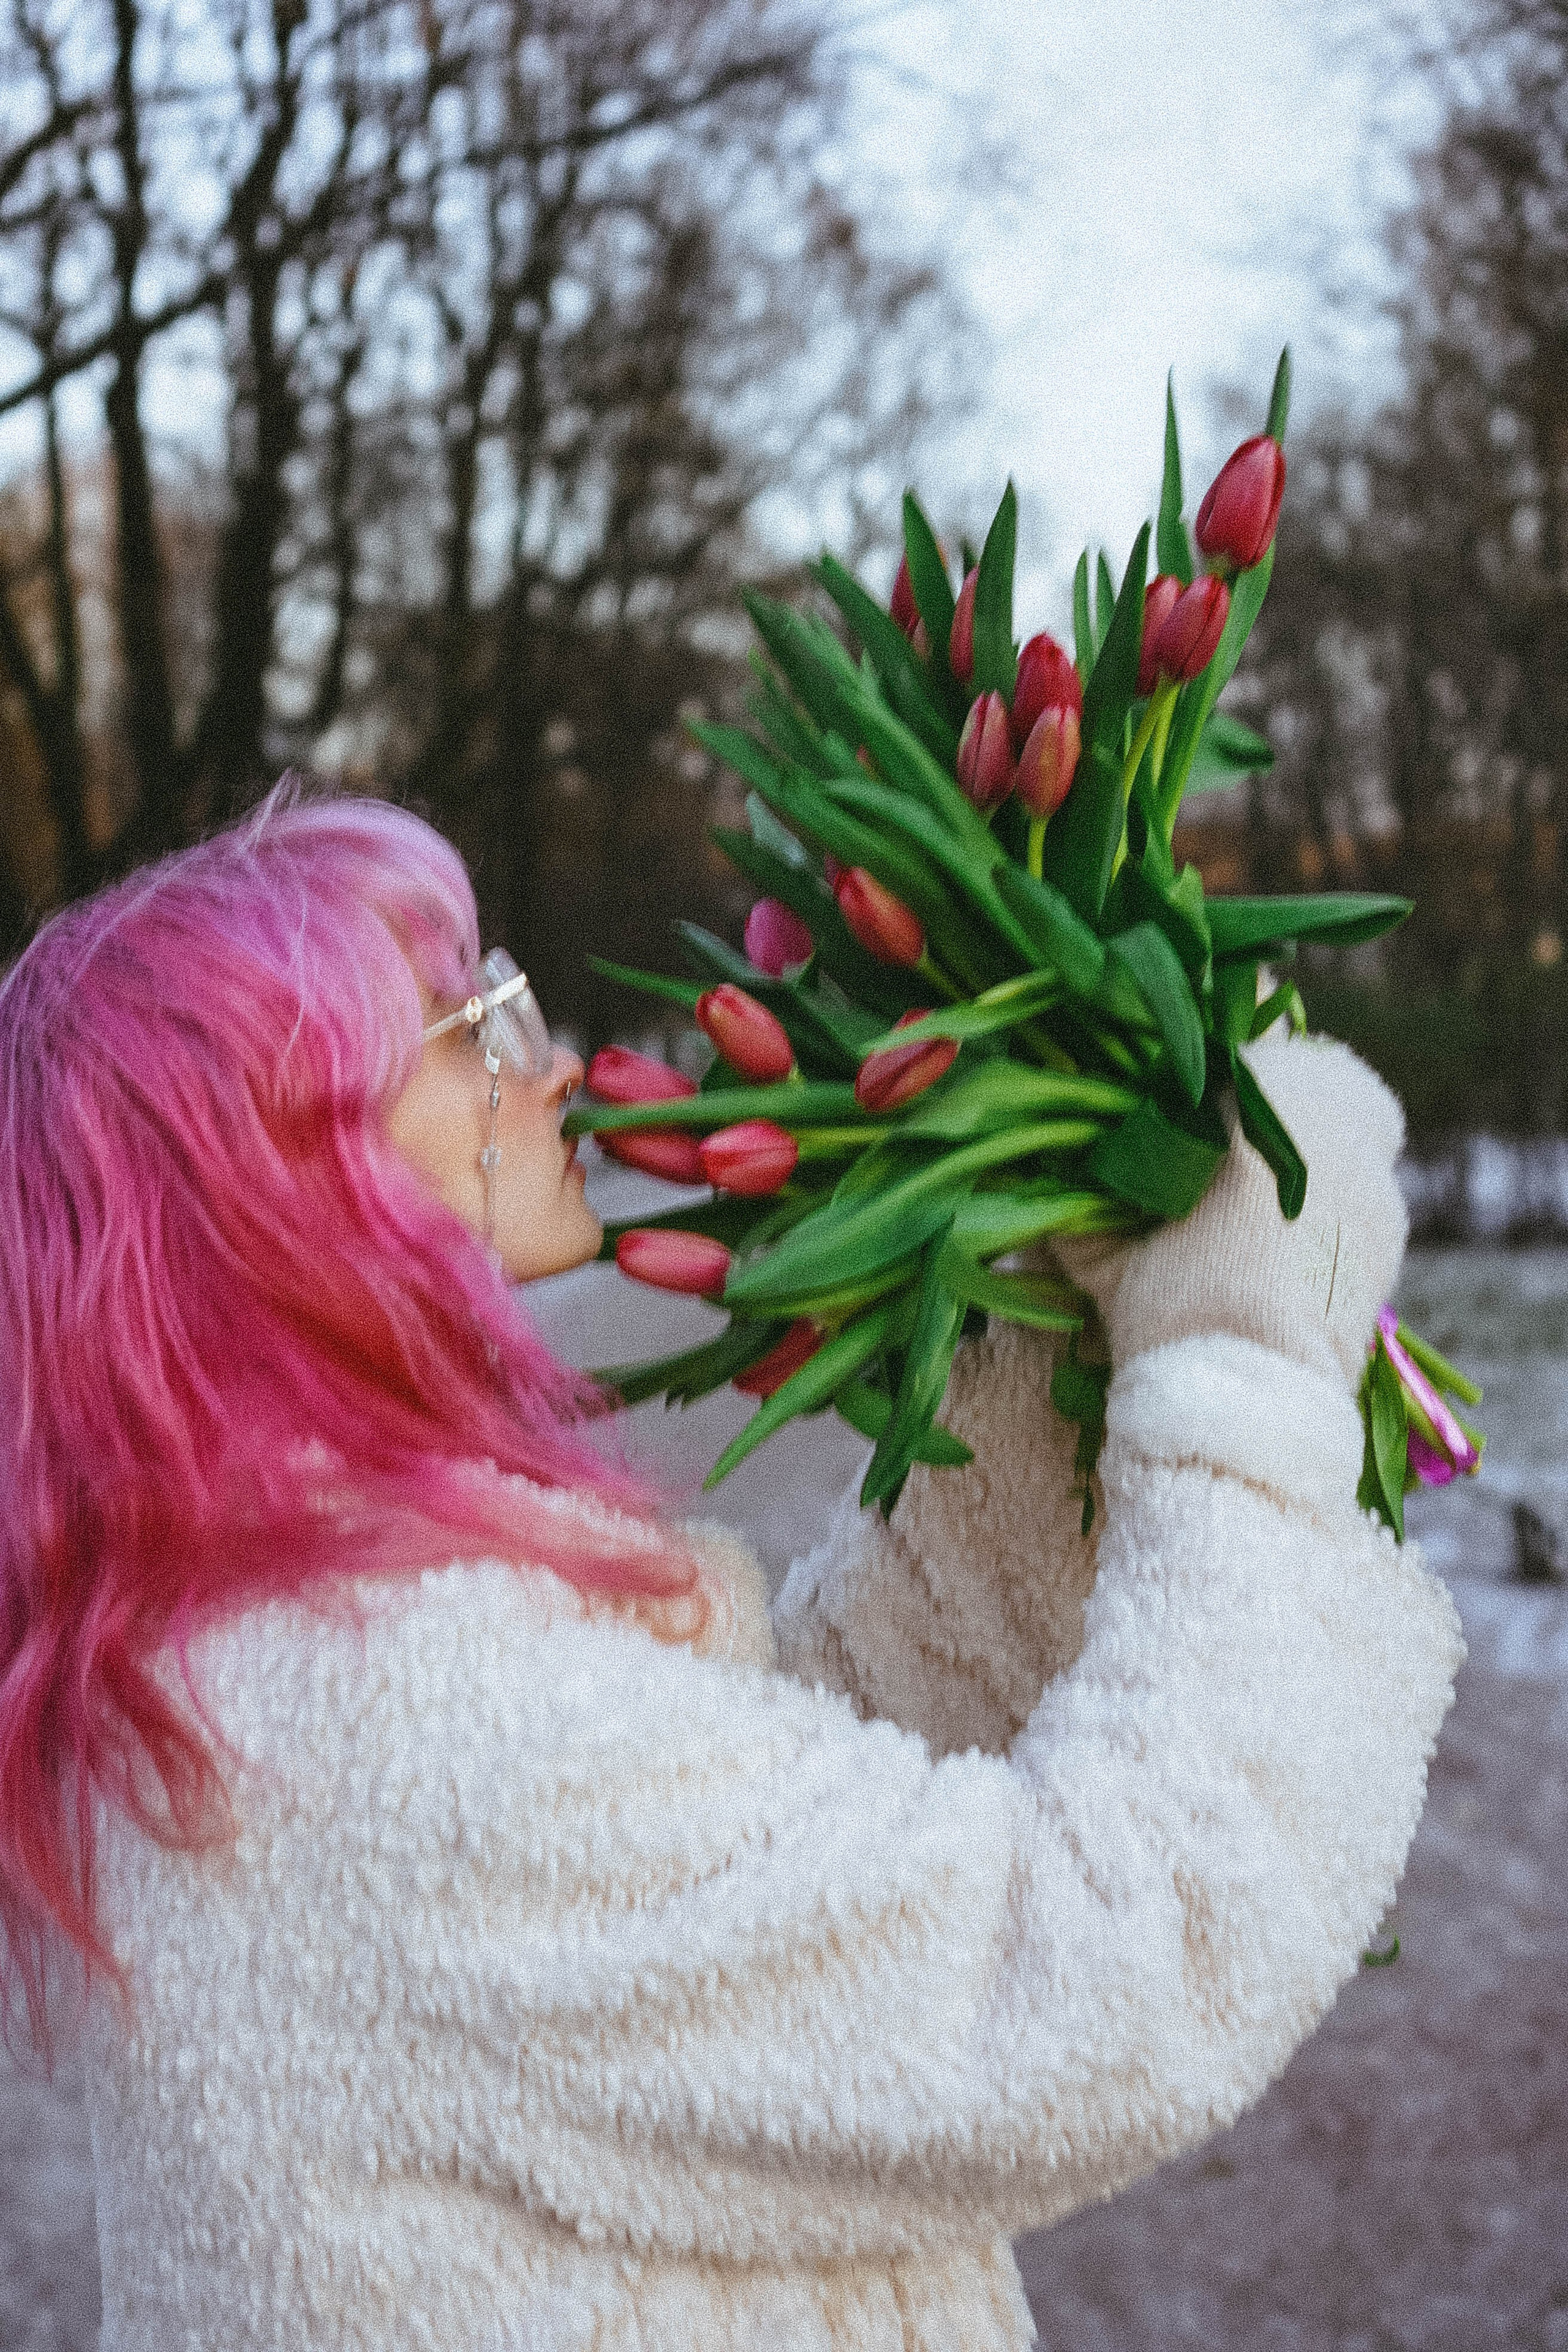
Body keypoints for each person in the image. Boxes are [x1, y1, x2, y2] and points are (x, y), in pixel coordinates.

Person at [0, 780, 1463, 2351]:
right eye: (460, 1021)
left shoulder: (283, 1641)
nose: (546, 1063)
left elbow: (773, 1835)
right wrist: (1239, 1360)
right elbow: (1102, 1963)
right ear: (266, 1191)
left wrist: (1037, 1389)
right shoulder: (406, 1726)